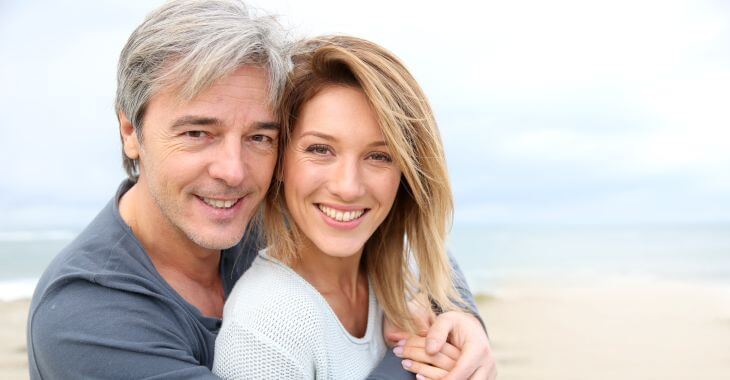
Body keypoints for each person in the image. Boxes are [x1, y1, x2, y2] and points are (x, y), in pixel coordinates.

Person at [26, 0, 492, 379]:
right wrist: (415, 364)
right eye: (197, 133)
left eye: (259, 137)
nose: (233, 171)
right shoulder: (85, 318)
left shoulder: (263, 211)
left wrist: (458, 317)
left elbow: (405, 239)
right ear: (131, 130)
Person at [213, 35, 495, 380]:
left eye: (379, 156)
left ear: (405, 173)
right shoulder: (266, 329)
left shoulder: (406, 274)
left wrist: (465, 331)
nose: (348, 187)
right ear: (281, 160)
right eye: (320, 149)